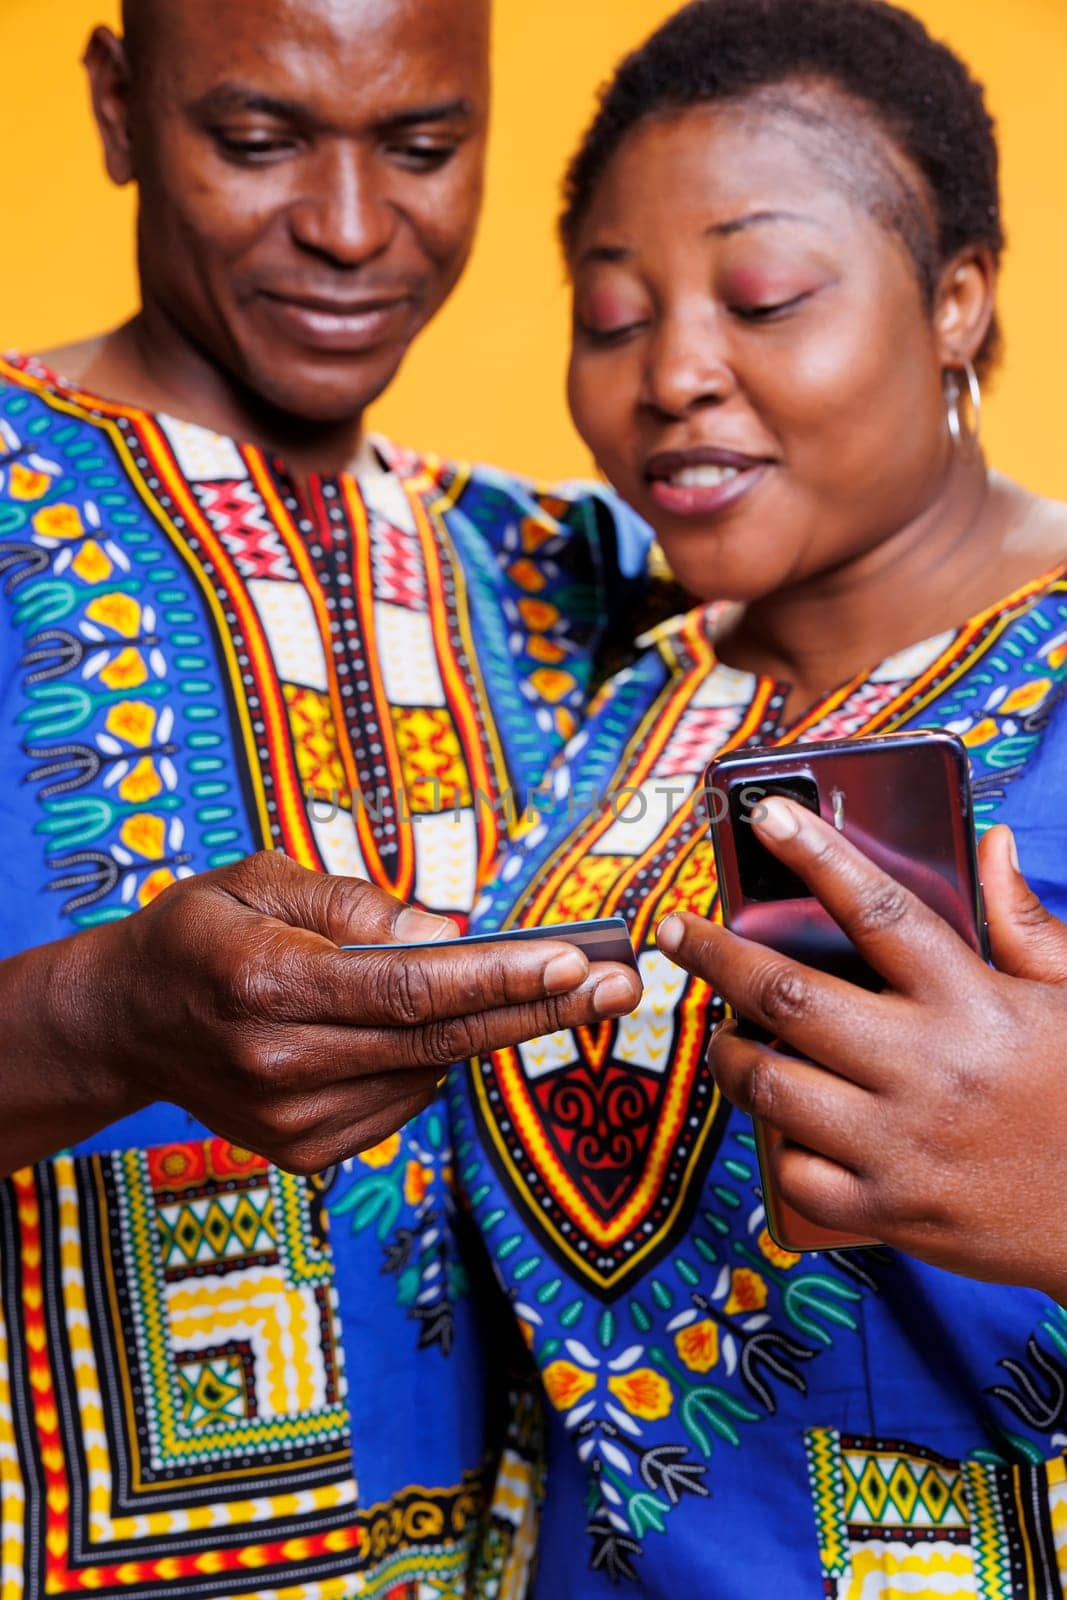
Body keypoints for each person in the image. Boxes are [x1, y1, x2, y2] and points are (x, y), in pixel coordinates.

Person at [0, 0, 648, 1594]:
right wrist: (93, 1024)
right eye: (259, 139)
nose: (353, 231)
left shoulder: (578, 571)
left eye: (423, 148)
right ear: (117, 103)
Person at [453, 1, 1067, 1593]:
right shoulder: (631, 691)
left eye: (765, 298)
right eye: (611, 315)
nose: (671, 375)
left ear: (955, 300)